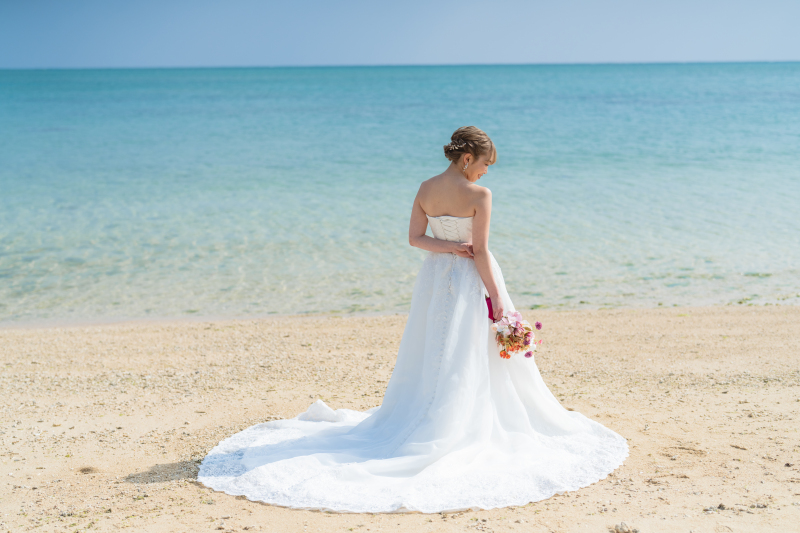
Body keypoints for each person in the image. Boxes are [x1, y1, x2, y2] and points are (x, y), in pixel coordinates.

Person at [198, 126, 628, 513]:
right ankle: (454, 420)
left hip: (435, 277)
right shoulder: (479, 196)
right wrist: (500, 302)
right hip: (469, 279)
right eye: (484, 165)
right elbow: (479, 252)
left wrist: (446, 250)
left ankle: (426, 408)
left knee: (434, 345)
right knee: (465, 350)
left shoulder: (425, 187)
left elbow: (414, 239)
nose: (485, 174)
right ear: (466, 159)